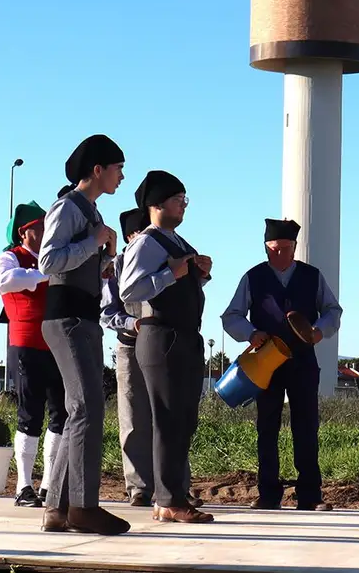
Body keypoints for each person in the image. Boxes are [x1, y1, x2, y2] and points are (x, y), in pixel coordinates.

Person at [37, 134, 129, 536]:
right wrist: (93, 242)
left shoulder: (90, 214)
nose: (122, 177)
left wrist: (105, 255)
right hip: (67, 316)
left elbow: (86, 264)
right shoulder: (67, 208)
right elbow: (48, 260)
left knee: (81, 409)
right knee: (88, 406)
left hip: (85, 317)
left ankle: (57, 509)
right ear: (98, 170)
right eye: (117, 169)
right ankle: (83, 506)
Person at [220, 218, 342, 511]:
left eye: (284, 249)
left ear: (295, 248)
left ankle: (310, 495)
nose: (278, 254)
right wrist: (250, 333)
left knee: (306, 426)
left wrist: (319, 330)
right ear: (266, 247)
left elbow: (332, 310)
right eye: (273, 249)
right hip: (266, 363)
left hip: (303, 360)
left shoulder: (313, 276)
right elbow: (231, 315)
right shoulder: (253, 277)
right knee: (267, 426)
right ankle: (268, 494)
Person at [119, 170, 215, 524]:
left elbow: (184, 281)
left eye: (184, 200)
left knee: (183, 419)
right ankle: (170, 499)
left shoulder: (179, 242)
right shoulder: (145, 243)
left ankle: (168, 498)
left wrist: (200, 272)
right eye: (178, 200)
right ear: (155, 205)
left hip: (186, 337)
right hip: (162, 337)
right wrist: (168, 275)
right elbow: (129, 290)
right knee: (169, 419)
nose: (183, 206)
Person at [0, 200, 67, 508]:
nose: (46, 231)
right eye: (40, 227)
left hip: (57, 345)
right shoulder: (10, 258)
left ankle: (49, 483)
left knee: (60, 415)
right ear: (25, 232)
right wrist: (42, 275)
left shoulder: (53, 258)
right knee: (29, 415)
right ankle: (24, 485)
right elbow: (4, 281)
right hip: (26, 345)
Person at [99, 207, 153, 506]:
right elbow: (107, 312)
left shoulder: (164, 262)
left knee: (168, 419)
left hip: (164, 348)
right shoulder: (115, 266)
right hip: (130, 346)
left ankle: (174, 487)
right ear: (131, 236)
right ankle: (139, 488)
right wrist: (134, 324)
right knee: (132, 417)